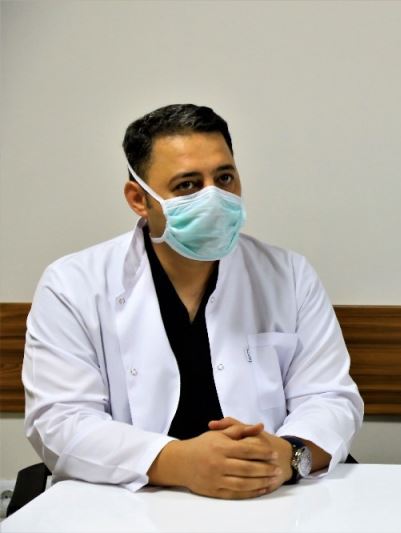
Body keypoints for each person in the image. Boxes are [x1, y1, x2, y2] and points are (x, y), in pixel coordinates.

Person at [23, 104, 364, 499]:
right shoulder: (73, 284)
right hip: (131, 505)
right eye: (187, 185)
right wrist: (178, 462)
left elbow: (330, 398)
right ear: (139, 198)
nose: (214, 198)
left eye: (224, 178)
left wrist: (288, 454)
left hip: (269, 500)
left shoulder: (288, 275)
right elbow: (59, 421)